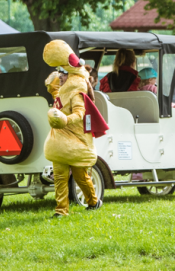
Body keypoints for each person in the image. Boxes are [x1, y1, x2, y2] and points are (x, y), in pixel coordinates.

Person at [42, 40, 107, 217]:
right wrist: (53, 89)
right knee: (60, 177)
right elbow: (60, 101)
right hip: (58, 141)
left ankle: (94, 201)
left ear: (69, 75)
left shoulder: (77, 91)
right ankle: (61, 210)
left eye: (62, 73)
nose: (60, 76)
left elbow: (79, 113)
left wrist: (65, 120)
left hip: (75, 140)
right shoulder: (65, 90)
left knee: (81, 176)